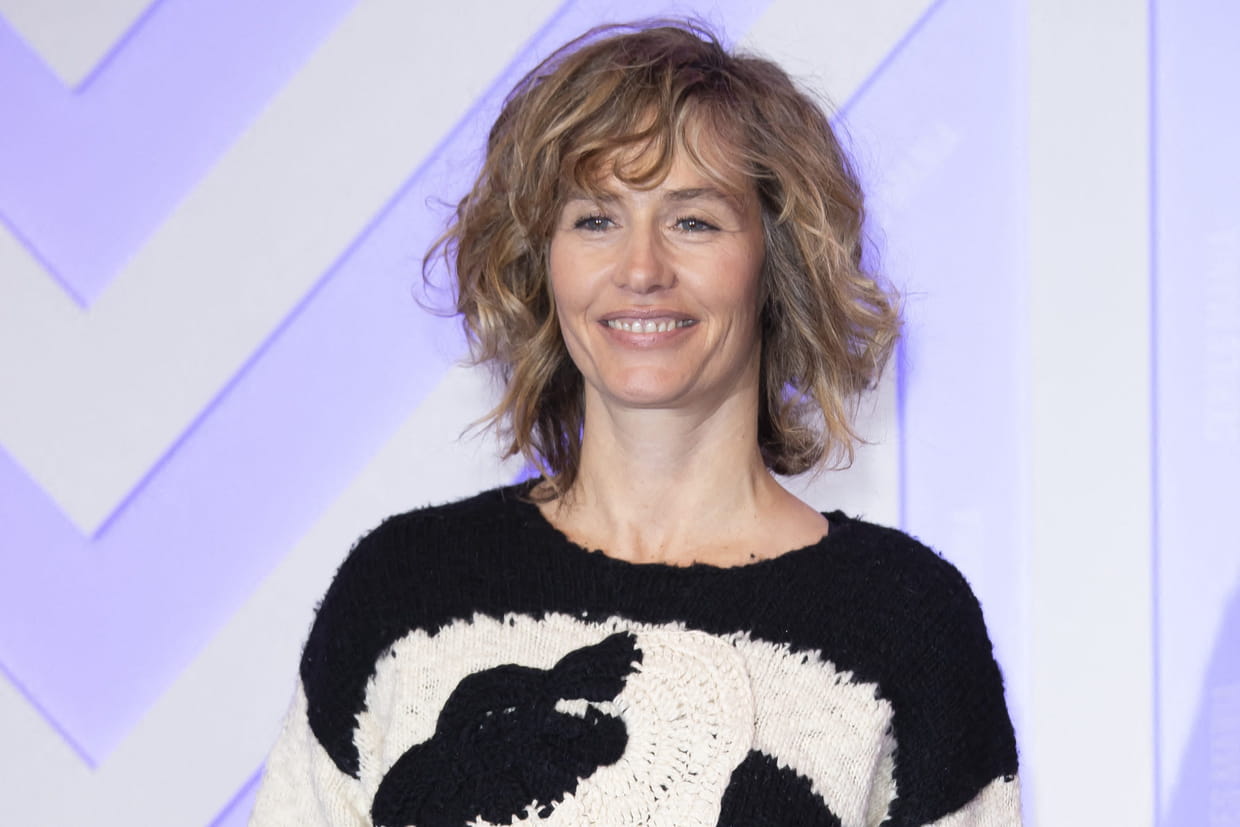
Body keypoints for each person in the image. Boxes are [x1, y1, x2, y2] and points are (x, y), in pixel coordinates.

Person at [251, 20, 1021, 827]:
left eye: (694, 220)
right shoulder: (400, 590)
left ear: (776, 260)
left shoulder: (906, 623)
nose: (643, 269)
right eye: (596, 219)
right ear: (541, 261)